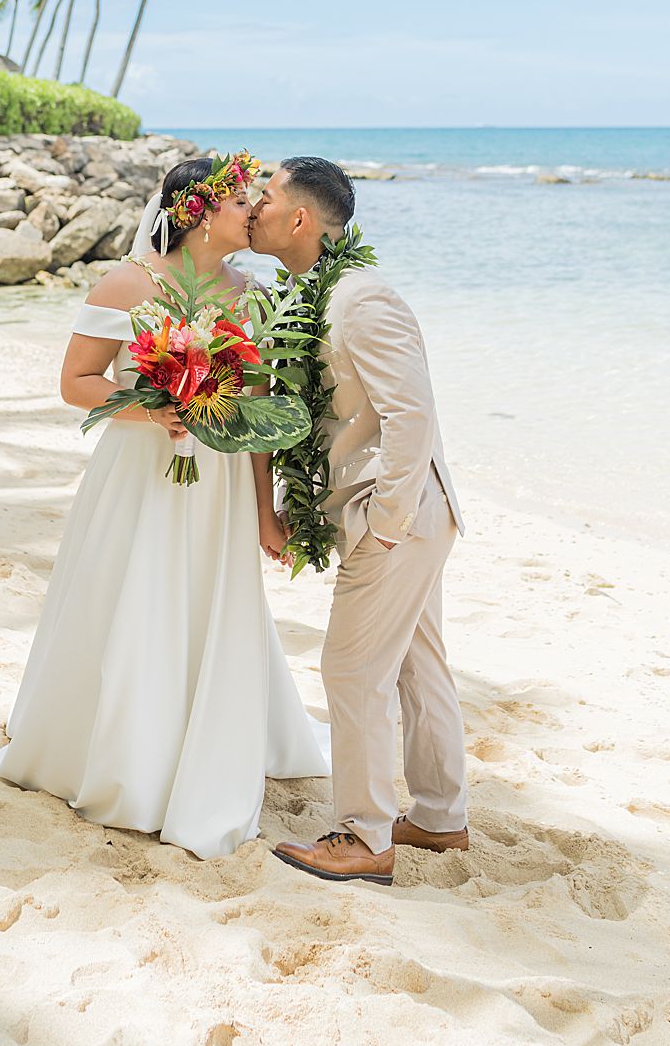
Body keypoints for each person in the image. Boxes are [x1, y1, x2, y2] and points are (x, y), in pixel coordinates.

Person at [0, 154, 328, 860]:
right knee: (132, 602)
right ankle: (123, 760)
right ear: (201, 212)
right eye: (242, 201)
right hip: (137, 474)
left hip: (221, 486)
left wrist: (266, 513)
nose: (255, 212)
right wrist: (157, 412)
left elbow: (257, 411)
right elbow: (76, 382)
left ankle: (200, 753)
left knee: (207, 608)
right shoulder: (126, 283)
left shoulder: (248, 294)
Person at [249, 156, 469, 885]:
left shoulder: (361, 298)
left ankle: (365, 835)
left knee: (350, 669)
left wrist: (385, 521)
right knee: (416, 666)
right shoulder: (317, 293)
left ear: (301, 219)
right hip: (403, 511)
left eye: (268, 195)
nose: (254, 203)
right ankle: (440, 819)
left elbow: (414, 413)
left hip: (396, 513)